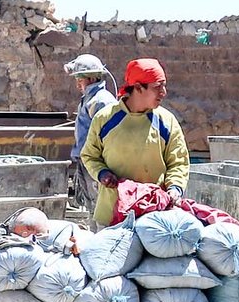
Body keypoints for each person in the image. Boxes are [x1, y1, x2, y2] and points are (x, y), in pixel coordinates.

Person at [79, 57, 191, 228]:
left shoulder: (166, 121)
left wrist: (175, 188)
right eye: (157, 87)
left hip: (155, 213)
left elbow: (178, 162)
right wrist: (102, 173)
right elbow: (89, 155)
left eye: (164, 85)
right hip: (113, 213)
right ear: (138, 88)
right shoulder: (105, 118)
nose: (163, 92)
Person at [64, 54, 116, 212]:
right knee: (91, 205)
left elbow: (109, 136)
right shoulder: (90, 99)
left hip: (98, 163)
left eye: (80, 80)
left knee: (100, 207)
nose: (78, 85)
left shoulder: (101, 101)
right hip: (87, 161)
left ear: (92, 79)